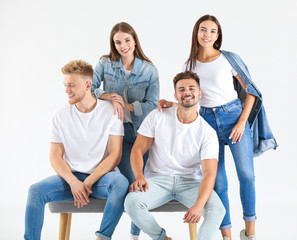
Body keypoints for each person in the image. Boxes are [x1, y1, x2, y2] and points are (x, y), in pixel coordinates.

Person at [158, 15, 278, 240]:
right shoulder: (189, 65)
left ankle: (250, 233)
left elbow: (251, 91)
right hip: (207, 122)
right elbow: (193, 98)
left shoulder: (228, 59)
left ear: (218, 36)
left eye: (213, 31)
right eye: (203, 30)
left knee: (246, 175)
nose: (207, 35)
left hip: (233, 117)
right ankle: (227, 236)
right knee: (218, 182)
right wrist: (173, 103)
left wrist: (242, 122)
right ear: (196, 33)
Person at [24, 60, 129, 240]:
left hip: (101, 179)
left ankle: (102, 237)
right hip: (70, 178)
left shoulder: (111, 112)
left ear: (88, 85)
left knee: (120, 183)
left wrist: (87, 183)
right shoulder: (60, 115)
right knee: (35, 191)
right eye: (65, 85)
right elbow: (55, 156)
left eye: (71, 85)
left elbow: (115, 156)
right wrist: (74, 182)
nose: (67, 91)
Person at [124, 71, 225, 240]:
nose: (187, 92)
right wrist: (139, 176)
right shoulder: (158, 115)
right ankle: (162, 238)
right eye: (182, 89)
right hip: (157, 180)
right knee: (131, 203)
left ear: (199, 94)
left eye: (192, 88)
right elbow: (137, 150)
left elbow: (209, 173)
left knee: (218, 210)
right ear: (175, 95)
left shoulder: (207, 133)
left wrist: (199, 205)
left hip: (190, 182)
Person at [91, 22, 159, 239]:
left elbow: (153, 104)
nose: (123, 46)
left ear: (135, 40)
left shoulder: (149, 70)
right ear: (113, 44)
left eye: (127, 40)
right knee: (132, 182)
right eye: (118, 42)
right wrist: (110, 97)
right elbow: (91, 88)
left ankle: (134, 235)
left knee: (139, 185)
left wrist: (127, 105)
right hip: (115, 133)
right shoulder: (105, 64)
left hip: (141, 132)